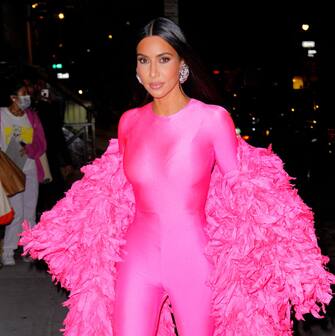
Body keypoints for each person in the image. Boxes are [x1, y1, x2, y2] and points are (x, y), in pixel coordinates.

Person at [20, 17, 335, 335]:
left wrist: (272, 256)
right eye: (144, 61)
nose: (153, 72)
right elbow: (109, 188)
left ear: (182, 66)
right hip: (136, 259)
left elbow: (247, 195)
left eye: (164, 59)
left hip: (193, 261)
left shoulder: (212, 120)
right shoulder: (129, 122)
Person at [0, 78, 47, 266]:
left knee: (30, 211)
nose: (27, 97)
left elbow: (41, 143)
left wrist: (28, 149)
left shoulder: (31, 116)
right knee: (17, 213)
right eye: (23, 93)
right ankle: (8, 251)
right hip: (9, 170)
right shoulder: (2, 115)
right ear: (12, 97)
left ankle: (30, 249)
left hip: (29, 168)